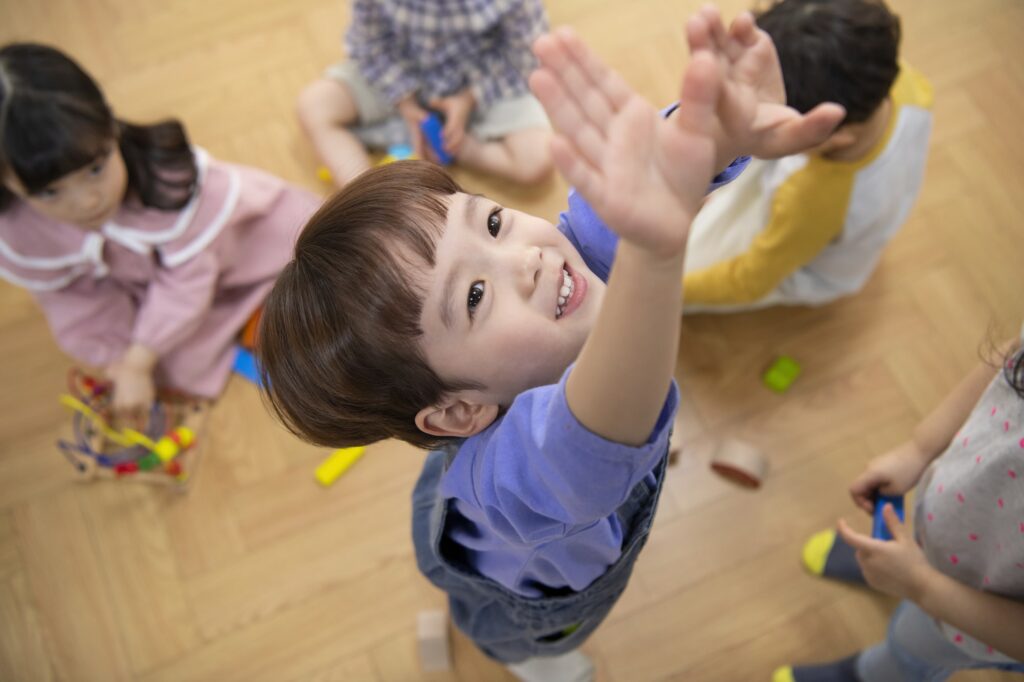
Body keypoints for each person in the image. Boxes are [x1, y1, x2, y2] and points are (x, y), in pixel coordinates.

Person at [259, 8, 842, 679]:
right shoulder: (522, 475)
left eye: (493, 224)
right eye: (474, 296)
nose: (528, 258)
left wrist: (710, 131)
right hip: (524, 594)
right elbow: (585, 440)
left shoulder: (564, 270)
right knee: (531, 640)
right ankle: (532, 661)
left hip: (483, 494)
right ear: (459, 411)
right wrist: (653, 254)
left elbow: (618, 200)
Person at [0, 43, 321, 417]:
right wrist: (124, 360)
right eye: (50, 192)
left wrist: (139, 360)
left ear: (110, 126)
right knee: (170, 367)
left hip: (242, 247)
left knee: (311, 249)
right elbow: (74, 303)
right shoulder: (21, 232)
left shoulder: (170, 184)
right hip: (164, 283)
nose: (87, 201)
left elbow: (188, 281)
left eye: (96, 169)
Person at [775, 332, 1024, 681]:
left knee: (911, 645)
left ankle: (870, 675)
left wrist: (922, 585)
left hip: (976, 615)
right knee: (904, 574)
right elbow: (1012, 355)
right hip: (949, 527)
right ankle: (896, 564)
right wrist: (918, 449)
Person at [680, 0, 933, 312]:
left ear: (832, 133)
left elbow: (749, 280)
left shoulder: (810, 199)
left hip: (808, 262)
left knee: (683, 264)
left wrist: (672, 286)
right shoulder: (895, 79)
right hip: (858, 211)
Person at [296, 0, 555, 187]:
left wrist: (468, 99)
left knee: (537, 160)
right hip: (400, 73)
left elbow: (525, 52)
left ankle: (458, 147)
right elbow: (368, 43)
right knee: (314, 104)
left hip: (483, 81)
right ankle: (366, 195)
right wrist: (405, 101)